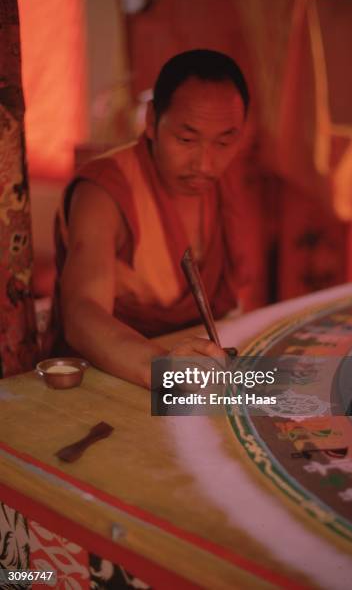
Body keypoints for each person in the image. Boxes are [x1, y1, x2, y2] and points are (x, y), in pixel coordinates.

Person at [53, 49, 249, 388]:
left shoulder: (225, 181)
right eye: (186, 139)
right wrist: (162, 368)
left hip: (195, 369)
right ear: (151, 121)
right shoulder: (105, 190)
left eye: (224, 142)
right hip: (112, 373)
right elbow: (81, 311)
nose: (205, 164)